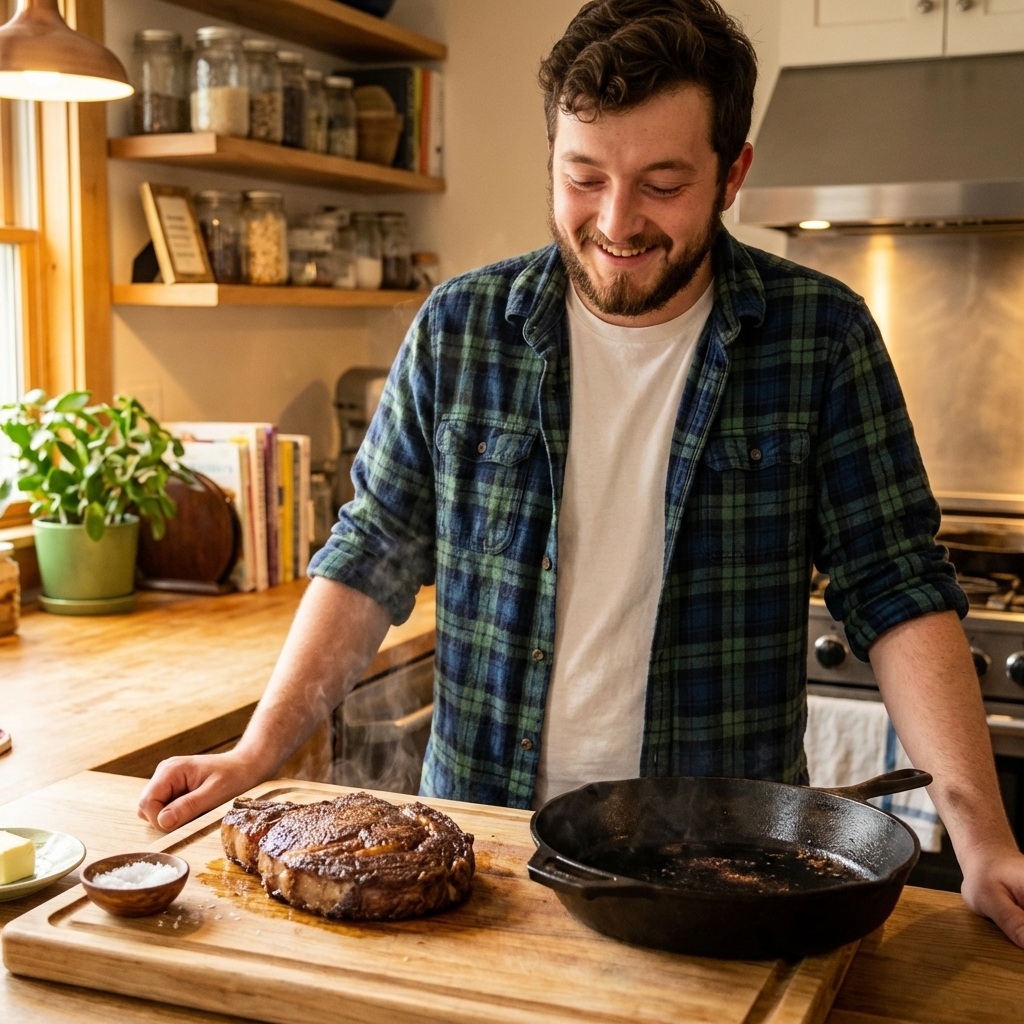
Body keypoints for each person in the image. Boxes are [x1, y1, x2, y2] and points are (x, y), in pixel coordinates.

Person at [138, 0, 1024, 947]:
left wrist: (983, 839)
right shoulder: (458, 330)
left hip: (714, 865)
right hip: (478, 852)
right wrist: (259, 749)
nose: (616, 221)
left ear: (734, 174)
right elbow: (372, 552)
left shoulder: (822, 338)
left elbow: (895, 589)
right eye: (583, 177)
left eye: (662, 184)